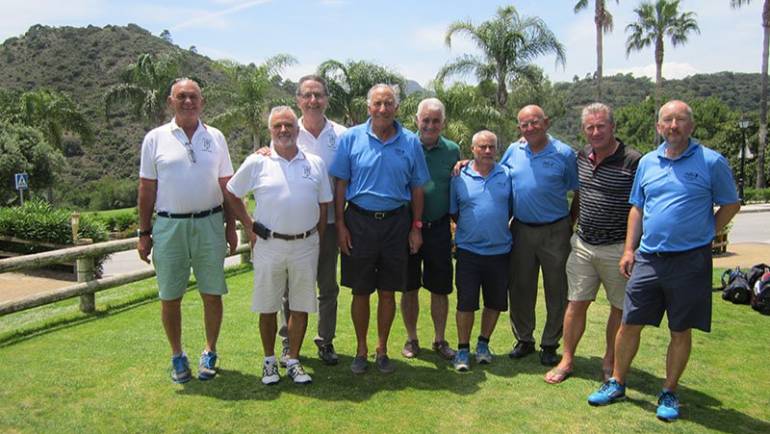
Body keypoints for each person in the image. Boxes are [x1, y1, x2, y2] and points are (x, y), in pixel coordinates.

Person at [587, 100, 740, 422]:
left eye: (680, 120)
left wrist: (707, 231)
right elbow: (637, 208)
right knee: (629, 324)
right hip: (648, 257)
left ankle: (669, 390)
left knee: (680, 328)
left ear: (691, 126)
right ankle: (616, 381)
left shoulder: (711, 162)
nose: (673, 126)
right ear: (658, 127)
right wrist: (629, 250)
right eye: (667, 120)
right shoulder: (648, 162)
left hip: (690, 261)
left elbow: (730, 204)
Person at [137, 78, 238, 384]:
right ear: (171, 101)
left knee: (212, 293)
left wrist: (230, 227)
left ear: (202, 102)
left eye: (193, 97)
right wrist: (144, 232)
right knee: (170, 296)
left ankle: (210, 350)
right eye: (181, 96)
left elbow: (227, 185)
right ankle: (177, 355)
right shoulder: (155, 138)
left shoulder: (216, 137)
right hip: (169, 225)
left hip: (210, 223)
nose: (188, 102)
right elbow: (146, 188)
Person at [224, 106, 333, 385]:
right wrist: (249, 225)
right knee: (268, 305)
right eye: (277, 127)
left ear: (297, 130)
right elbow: (232, 192)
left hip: (306, 244)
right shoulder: (257, 162)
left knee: (300, 306)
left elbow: (323, 205)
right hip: (269, 244)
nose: (283, 130)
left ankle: (294, 359)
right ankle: (270, 361)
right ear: (270, 131)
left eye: (288, 126)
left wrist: (316, 239)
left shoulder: (315, 163)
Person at [329, 83, 430, 374]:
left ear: (396, 107)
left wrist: (416, 227)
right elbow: (341, 185)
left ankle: (381, 349)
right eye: (378, 103)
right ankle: (360, 351)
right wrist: (341, 227)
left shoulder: (410, 142)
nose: (383, 109)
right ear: (368, 107)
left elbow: (417, 188)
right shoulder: (351, 138)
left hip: (397, 223)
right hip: (358, 222)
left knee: (388, 292)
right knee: (360, 292)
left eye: (388, 103)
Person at [545, 103, 641, 384]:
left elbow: (642, 206)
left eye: (601, 126)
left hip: (618, 249)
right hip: (584, 245)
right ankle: (567, 359)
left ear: (613, 127)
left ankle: (610, 359)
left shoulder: (633, 161)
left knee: (619, 308)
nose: (596, 131)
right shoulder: (581, 157)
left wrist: (631, 248)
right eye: (590, 127)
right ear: (584, 130)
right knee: (575, 303)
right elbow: (578, 194)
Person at [270, 75, 347, 366]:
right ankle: (289, 340)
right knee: (290, 288)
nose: (313, 101)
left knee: (327, 286)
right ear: (298, 100)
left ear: (327, 99)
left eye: (319, 95)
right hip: (295, 226)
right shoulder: (287, 129)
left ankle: (325, 340)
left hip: (328, 224)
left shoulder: (342, 134)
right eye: (307, 95)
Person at [504, 105, 579, 366]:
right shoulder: (513, 151)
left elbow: (578, 188)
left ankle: (550, 343)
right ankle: (524, 339)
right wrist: (465, 163)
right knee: (520, 287)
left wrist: (571, 220)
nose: (530, 128)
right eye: (524, 124)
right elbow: (495, 173)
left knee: (556, 288)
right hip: (521, 228)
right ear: (519, 128)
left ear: (546, 122)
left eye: (535, 122)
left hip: (555, 230)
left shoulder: (564, 153)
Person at [400, 98, 460, 361]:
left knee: (440, 288)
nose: (430, 125)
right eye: (425, 120)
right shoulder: (403, 145)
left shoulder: (452, 150)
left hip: (438, 228)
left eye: (436, 121)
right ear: (417, 120)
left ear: (443, 123)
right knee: (409, 286)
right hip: (406, 227)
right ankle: (412, 339)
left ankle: (439, 339)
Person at [449, 130, 513, 372]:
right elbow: (454, 211)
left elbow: (511, 208)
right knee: (466, 302)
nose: (487, 151)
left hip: (500, 251)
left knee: (495, 302)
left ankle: (483, 345)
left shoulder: (507, 175)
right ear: (473, 149)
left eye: (491, 147)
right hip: (468, 250)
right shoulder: (458, 176)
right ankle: (463, 350)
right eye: (482, 147)